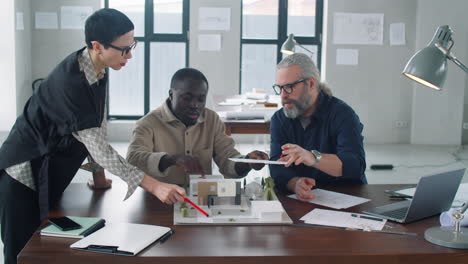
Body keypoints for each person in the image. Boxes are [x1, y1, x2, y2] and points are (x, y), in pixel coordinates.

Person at [0, 8, 185, 264]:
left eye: (132, 45)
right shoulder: (72, 84)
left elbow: (96, 126)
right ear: (97, 45)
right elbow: (98, 147)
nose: (130, 55)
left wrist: (99, 178)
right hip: (23, 170)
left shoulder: (97, 68)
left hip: (48, 165)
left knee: (49, 247)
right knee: (22, 252)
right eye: (124, 49)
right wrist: (155, 185)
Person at [126, 68, 269, 185]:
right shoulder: (148, 123)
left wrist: (247, 162)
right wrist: (172, 159)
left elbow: (227, 159)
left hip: (201, 198)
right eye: (187, 98)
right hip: (159, 200)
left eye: (201, 99)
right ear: (171, 94)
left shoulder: (212, 120)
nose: (195, 105)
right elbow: (133, 159)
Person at [269, 53, 366, 201]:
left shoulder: (342, 114)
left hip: (347, 198)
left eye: (289, 87)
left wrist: (314, 157)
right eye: (280, 88)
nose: (283, 95)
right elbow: (277, 166)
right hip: (303, 201)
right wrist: (295, 184)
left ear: (311, 84)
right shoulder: (280, 119)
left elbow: (354, 165)